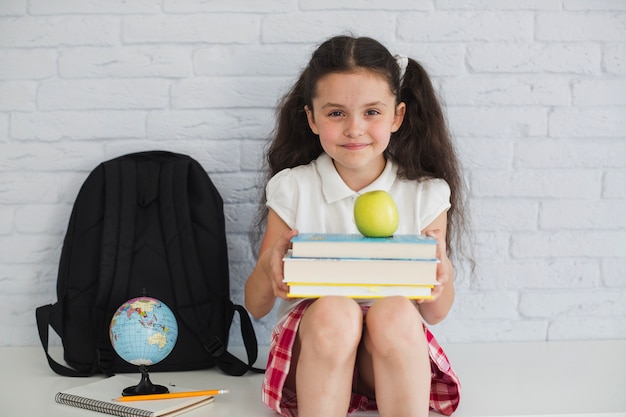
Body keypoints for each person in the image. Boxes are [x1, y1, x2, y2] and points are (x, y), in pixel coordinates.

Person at [245, 35, 468, 417]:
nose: (354, 129)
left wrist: (440, 274)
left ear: (397, 116)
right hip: (316, 352)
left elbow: (435, 313)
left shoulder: (426, 193)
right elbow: (257, 304)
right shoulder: (294, 187)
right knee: (335, 310)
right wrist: (270, 268)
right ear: (311, 118)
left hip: (382, 363)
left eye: (371, 112)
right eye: (336, 113)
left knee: (396, 311)